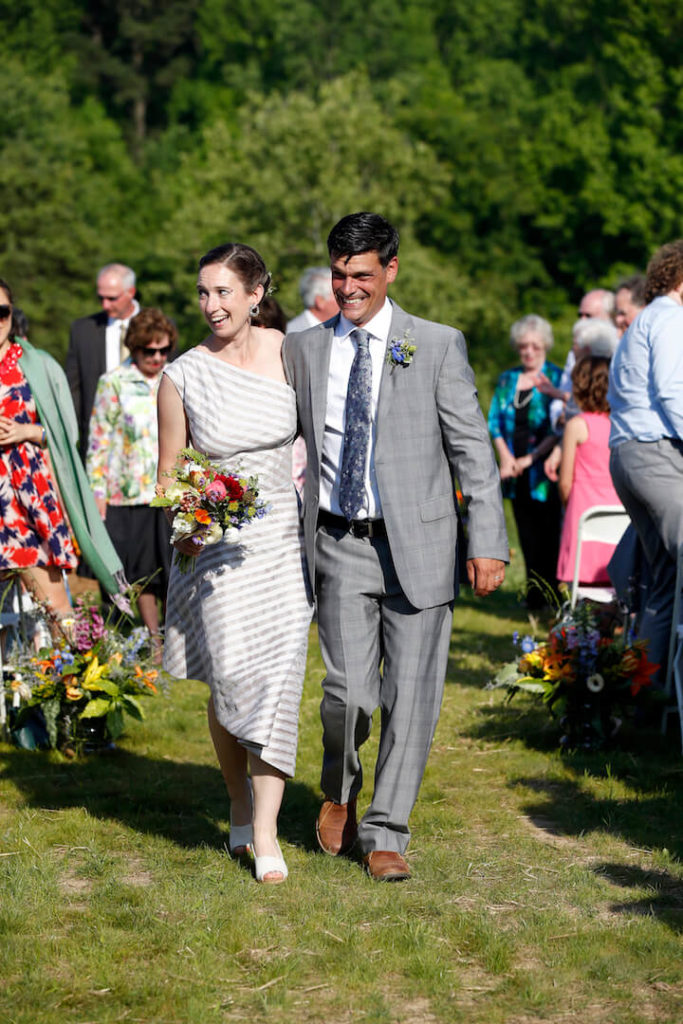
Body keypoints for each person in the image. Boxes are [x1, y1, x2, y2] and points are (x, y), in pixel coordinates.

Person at [283, 212, 508, 882]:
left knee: (411, 696)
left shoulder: (433, 344)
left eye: (361, 275)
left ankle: (386, 832)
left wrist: (488, 541)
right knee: (347, 695)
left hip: (422, 548)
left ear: (390, 270)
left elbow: (470, 447)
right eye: (339, 274)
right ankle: (339, 790)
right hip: (339, 542)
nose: (348, 288)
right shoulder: (304, 349)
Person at [158, 244, 312, 884]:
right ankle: (238, 801)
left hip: (282, 538)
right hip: (214, 547)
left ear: (255, 294)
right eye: (202, 292)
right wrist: (188, 525)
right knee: (231, 682)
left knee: (277, 675)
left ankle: (268, 831)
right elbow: (170, 473)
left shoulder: (292, 351)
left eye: (223, 291)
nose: (211, 304)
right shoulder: (181, 375)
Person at [0, 277, 127, 626]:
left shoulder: (37, 364)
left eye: (2, 311)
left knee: (58, 613)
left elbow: (67, 432)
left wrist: (28, 431)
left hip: (27, 500)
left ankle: (78, 679)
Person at [608, 239, 683, 686]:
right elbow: (673, 390)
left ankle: (643, 691)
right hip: (654, 453)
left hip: (628, 454)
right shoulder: (671, 319)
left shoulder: (646, 321)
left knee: (664, 579)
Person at [87, 308, 176, 653]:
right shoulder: (113, 382)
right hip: (129, 492)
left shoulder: (177, 376)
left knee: (174, 570)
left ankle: (177, 638)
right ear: (134, 349)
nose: (157, 358)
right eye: (148, 351)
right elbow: (99, 440)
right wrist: (97, 492)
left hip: (170, 490)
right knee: (143, 574)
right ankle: (154, 640)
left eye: (163, 350)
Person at [488, 314, 562, 609]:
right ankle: (534, 595)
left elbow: (559, 427)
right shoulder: (508, 379)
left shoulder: (555, 378)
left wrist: (530, 459)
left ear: (544, 346)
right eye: (523, 346)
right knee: (526, 533)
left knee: (550, 533)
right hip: (513, 471)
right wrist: (506, 458)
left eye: (534, 346)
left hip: (544, 470)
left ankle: (554, 594)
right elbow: (494, 420)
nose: (528, 352)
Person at [556, 355, 622, 585]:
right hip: (617, 516)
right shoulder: (619, 425)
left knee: (580, 588)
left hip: (583, 517)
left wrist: (569, 506)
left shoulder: (577, 425)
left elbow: (565, 481)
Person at [66, 263, 139, 460]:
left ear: (130, 292)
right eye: (101, 298)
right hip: (98, 443)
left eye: (112, 298)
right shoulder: (83, 330)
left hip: (145, 439)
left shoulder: (158, 327)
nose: (105, 305)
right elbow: (73, 390)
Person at [287, 267, 338, 333]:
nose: (344, 299)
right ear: (320, 301)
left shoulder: (344, 329)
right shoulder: (290, 333)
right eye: (337, 295)